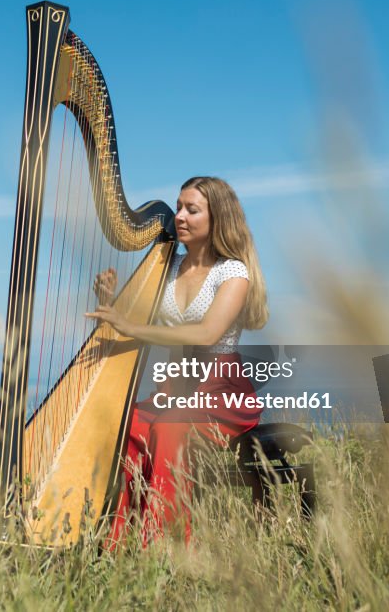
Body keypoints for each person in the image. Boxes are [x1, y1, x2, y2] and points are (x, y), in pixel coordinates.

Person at [85, 175, 268, 548]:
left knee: (170, 426)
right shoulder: (167, 267)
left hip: (220, 391)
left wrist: (131, 325)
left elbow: (206, 335)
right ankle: (118, 542)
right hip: (175, 387)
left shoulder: (232, 273)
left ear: (218, 219)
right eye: (179, 206)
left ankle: (165, 546)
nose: (179, 216)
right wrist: (110, 299)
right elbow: (132, 321)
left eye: (192, 210)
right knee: (129, 422)